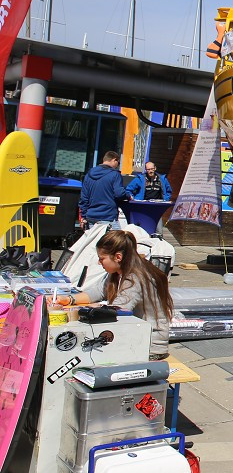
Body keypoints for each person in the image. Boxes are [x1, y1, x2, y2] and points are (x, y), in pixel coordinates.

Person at [55, 230, 173, 360]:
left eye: (102, 259)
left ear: (118, 257)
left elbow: (118, 311)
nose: (100, 263)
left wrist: (92, 308)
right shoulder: (118, 272)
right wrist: (68, 300)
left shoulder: (135, 279)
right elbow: (99, 291)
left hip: (150, 345)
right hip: (137, 336)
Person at [79, 151, 128, 229]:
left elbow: (84, 198)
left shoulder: (88, 175)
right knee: (117, 241)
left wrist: (84, 217)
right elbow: (119, 194)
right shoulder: (115, 175)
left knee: (95, 241)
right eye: (118, 163)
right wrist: (128, 195)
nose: (117, 166)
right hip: (108, 217)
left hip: (91, 217)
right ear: (114, 160)